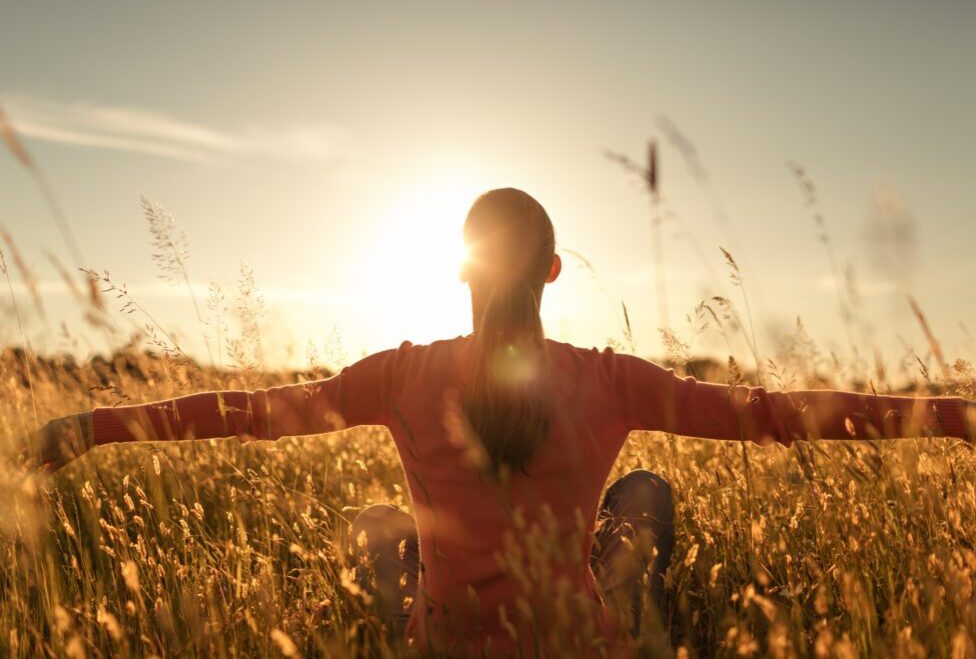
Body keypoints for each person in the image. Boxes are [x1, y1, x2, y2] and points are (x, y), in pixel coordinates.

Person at [27, 188, 974, 657]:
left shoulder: (399, 376)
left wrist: (94, 426)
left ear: (462, 271)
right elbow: (780, 416)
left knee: (373, 523)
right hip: (575, 638)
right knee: (645, 495)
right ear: (554, 272)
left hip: (444, 640)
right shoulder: (609, 381)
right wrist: (956, 418)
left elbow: (248, 417)